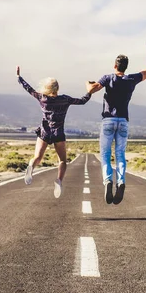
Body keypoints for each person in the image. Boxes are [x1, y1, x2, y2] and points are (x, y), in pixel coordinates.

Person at [86, 38, 146, 205]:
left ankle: (108, 181)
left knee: (105, 154)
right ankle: (121, 182)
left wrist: (87, 84)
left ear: (115, 65)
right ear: (126, 67)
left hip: (108, 121)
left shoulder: (108, 78)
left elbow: (91, 90)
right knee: (120, 155)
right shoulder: (131, 79)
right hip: (123, 122)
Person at [17, 66, 92, 198]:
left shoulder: (42, 98)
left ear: (47, 88)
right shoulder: (65, 99)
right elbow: (82, 101)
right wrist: (89, 92)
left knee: (37, 157)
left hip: (44, 133)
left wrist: (19, 78)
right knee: (62, 161)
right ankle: (59, 180)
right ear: (57, 88)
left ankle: (31, 167)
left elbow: (29, 89)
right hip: (59, 134)